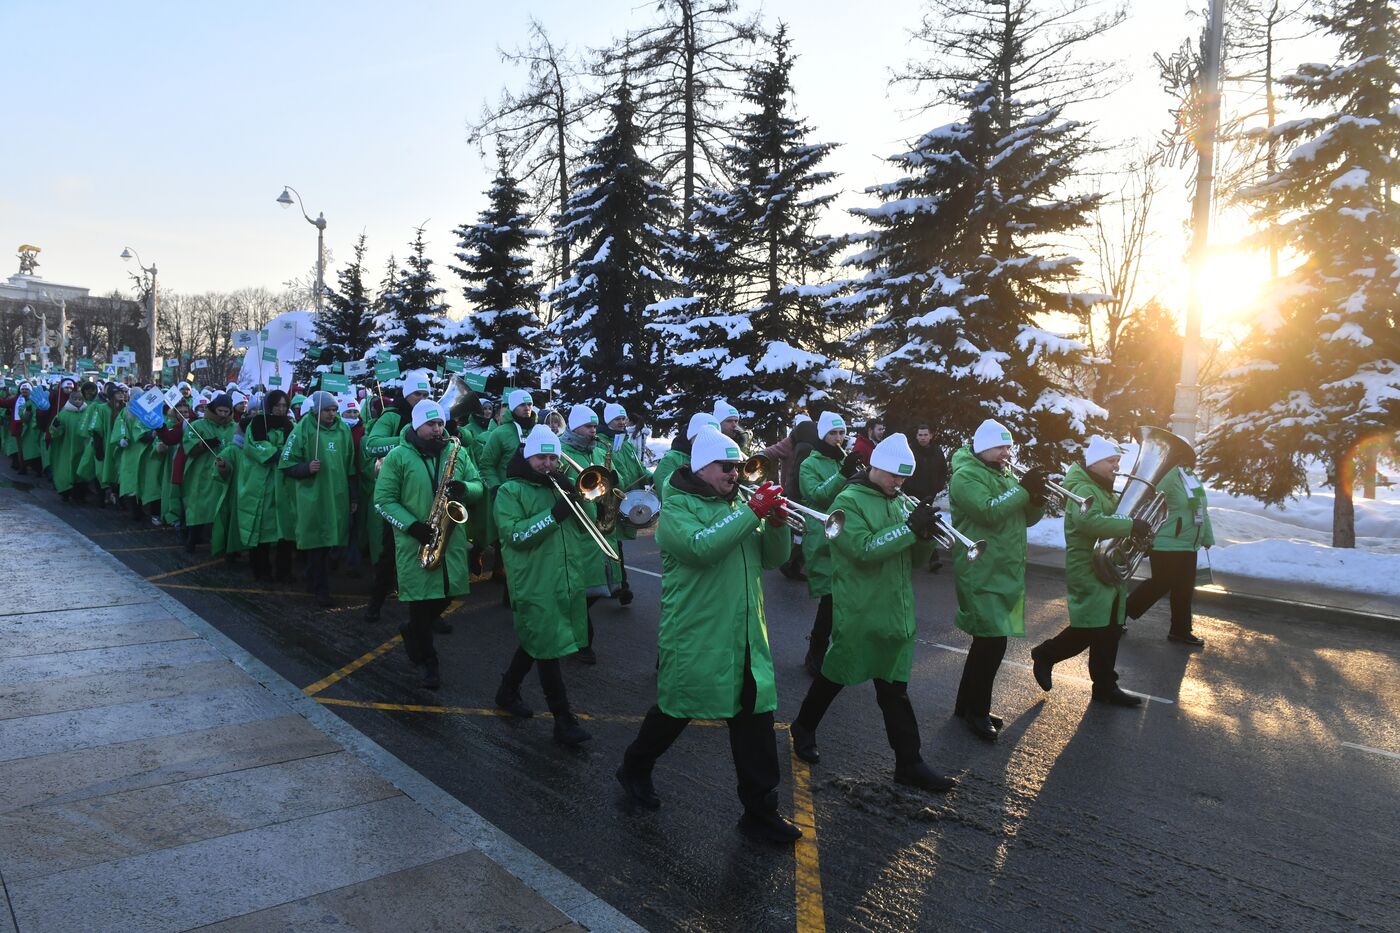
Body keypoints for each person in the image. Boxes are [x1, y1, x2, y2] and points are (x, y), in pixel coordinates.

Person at [616, 429, 802, 844]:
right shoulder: (677, 508)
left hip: (746, 633)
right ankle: (635, 766)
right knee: (677, 709)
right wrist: (752, 512)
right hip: (697, 633)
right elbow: (701, 548)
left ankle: (759, 810)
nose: (735, 474)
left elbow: (774, 559)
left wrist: (774, 525)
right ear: (702, 467)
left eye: (737, 466)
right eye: (726, 466)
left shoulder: (738, 503)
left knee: (754, 719)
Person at [789, 433, 957, 794]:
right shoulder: (848, 501)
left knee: (894, 691)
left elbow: (909, 559)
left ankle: (909, 763)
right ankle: (803, 726)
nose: (899, 483)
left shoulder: (898, 501)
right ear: (875, 466)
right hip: (861, 610)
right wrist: (909, 528)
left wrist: (923, 536)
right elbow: (864, 549)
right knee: (835, 675)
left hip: (896, 613)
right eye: (894, 475)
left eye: (904, 477)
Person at [1030, 436, 1153, 708]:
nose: (1116, 467)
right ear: (1095, 462)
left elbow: (1112, 523)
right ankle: (1045, 654)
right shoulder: (1081, 488)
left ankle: (1105, 687)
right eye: (1111, 461)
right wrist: (1130, 525)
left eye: (1118, 461)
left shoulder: (1104, 488)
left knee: (1110, 629)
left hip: (1108, 566)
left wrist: (1139, 532)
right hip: (1088, 566)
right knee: (1089, 628)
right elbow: (1090, 522)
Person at [492, 424, 593, 746]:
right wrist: (554, 514)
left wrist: (581, 497)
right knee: (547, 650)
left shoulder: (559, 485)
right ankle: (563, 719)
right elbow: (515, 536)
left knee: (537, 641)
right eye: (540, 457)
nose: (547, 463)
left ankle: (507, 692)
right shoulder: (510, 491)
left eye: (553, 457)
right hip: (534, 581)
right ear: (527, 455)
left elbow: (589, 522)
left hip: (565, 577)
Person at [948, 420, 1047, 741]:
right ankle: (977, 713)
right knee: (991, 643)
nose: (1007, 453)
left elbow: (1026, 518)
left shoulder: (1002, 474)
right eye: (1001, 447)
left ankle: (966, 707)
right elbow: (988, 512)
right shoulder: (966, 476)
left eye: (1009, 447)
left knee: (986, 643)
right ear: (982, 447)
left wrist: (1035, 497)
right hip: (983, 570)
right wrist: (1022, 490)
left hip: (1005, 569)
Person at [375, 399, 484, 689]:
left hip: (450, 540)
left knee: (446, 597)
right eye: (431, 424)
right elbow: (383, 500)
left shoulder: (456, 452)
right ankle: (428, 661)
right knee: (420, 605)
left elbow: (478, 484)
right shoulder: (398, 456)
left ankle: (412, 632)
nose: (438, 429)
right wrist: (412, 526)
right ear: (416, 425)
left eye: (440, 424)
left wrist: (465, 489)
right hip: (415, 541)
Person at [362, 372, 433, 622]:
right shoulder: (393, 415)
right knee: (390, 551)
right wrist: (408, 437)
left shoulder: (431, 418)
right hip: (396, 493)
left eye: (426, 394)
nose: (422, 399)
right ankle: (375, 602)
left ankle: (431, 614)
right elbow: (371, 445)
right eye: (418, 394)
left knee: (431, 551)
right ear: (406, 395)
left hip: (425, 493)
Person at [798, 411, 864, 676]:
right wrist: (844, 474)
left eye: (841, 433)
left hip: (848, 533)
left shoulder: (844, 460)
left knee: (845, 600)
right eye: (832, 433)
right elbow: (817, 496)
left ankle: (838, 651)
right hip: (823, 536)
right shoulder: (809, 464)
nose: (838, 438)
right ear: (822, 435)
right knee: (829, 599)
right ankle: (815, 652)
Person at [280, 391, 358, 607]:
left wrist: (353, 497)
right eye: (327, 410)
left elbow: (350, 466)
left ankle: (312, 577)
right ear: (316, 410)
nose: (331, 414)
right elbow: (286, 465)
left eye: (334, 410)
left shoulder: (343, 429)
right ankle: (320, 589)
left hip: (337, 496)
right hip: (313, 497)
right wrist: (306, 468)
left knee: (331, 543)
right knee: (318, 543)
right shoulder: (302, 429)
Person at [1126, 464, 1214, 647]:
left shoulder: (1191, 476)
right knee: (1160, 584)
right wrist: (1171, 468)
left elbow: (1202, 508)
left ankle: (1180, 631)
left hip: (1189, 544)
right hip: (1167, 542)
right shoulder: (1171, 475)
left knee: (1184, 589)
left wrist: (1206, 536)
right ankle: (1118, 616)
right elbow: (1152, 493)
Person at [559, 404, 619, 662]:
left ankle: (577, 635)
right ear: (574, 427)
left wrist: (615, 480)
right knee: (580, 591)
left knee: (593, 590)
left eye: (595, 426)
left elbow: (615, 483)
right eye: (587, 426)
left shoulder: (598, 451)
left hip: (600, 525)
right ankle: (579, 641)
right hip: (578, 527)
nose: (593, 431)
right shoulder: (562, 453)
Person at [597, 401, 651, 606]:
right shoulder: (601, 442)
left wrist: (651, 478)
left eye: (623, 418)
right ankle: (620, 585)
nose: (622, 422)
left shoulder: (625, 442)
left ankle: (616, 584)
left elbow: (638, 468)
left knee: (615, 544)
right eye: (617, 419)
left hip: (626, 500)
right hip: (609, 501)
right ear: (608, 421)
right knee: (612, 544)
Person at [237, 391, 295, 583]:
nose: (281, 409)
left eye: (284, 405)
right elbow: (254, 446)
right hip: (261, 483)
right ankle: (261, 570)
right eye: (277, 405)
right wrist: (276, 454)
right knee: (260, 530)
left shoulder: (290, 425)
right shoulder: (257, 423)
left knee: (285, 530)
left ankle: (283, 570)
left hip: (283, 484)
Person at [182, 393, 238, 555]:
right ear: (214, 408)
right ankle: (192, 540)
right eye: (220, 411)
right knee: (199, 508)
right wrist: (203, 445)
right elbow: (189, 447)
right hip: (203, 474)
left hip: (225, 474)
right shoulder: (198, 425)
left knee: (222, 510)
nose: (223, 415)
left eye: (226, 412)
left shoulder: (235, 427)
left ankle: (223, 545)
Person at [904, 423, 950, 572]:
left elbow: (943, 470)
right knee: (920, 523)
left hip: (930, 494)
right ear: (916, 436)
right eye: (920, 435)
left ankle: (927, 556)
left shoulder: (936, 451)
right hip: (912, 494)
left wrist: (938, 486)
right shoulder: (910, 450)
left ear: (931, 435)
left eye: (925, 435)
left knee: (925, 523)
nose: (923, 438)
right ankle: (932, 558)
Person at [654, 412, 720, 500]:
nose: (708, 441)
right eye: (702, 436)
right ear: (691, 436)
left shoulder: (717, 459)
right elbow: (666, 495)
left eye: (715, 437)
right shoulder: (671, 459)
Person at [49, 383, 89, 502]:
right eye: (75, 399)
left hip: (83, 447)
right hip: (67, 447)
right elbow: (55, 433)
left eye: (80, 399)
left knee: (81, 471)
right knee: (67, 470)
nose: (78, 401)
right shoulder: (63, 414)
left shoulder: (87, 413)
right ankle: (66, 492)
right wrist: (56, 427)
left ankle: (80, 494)